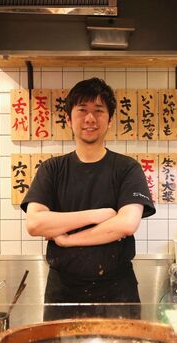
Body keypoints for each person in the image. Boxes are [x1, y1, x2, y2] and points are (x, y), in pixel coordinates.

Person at [21, 77, 156, 319]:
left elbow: (126, 224)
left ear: (110, 120)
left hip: (117, 292)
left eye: (99, 111)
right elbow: (35, 224)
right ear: (68, 119)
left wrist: (68, 240)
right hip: (63, 291)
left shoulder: (127, 169)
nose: (90, 118)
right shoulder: (52, 169)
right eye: (82, 110)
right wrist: (98, 215)